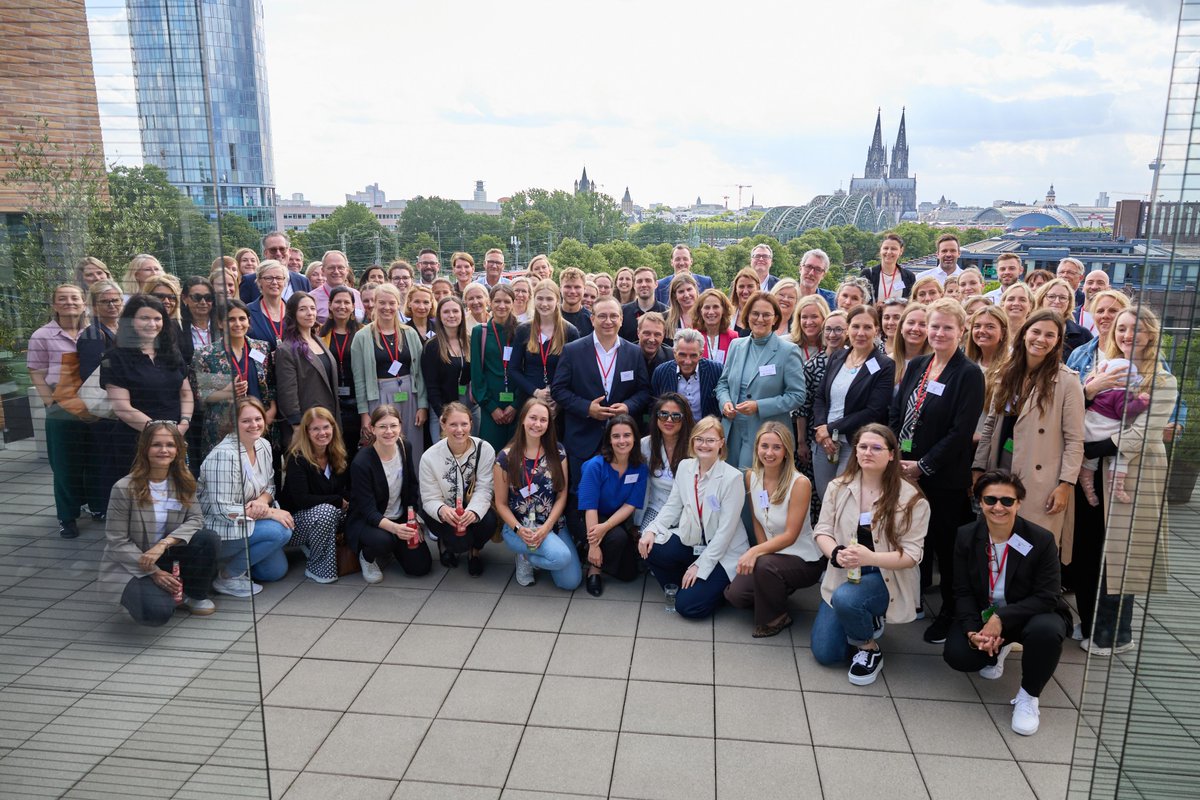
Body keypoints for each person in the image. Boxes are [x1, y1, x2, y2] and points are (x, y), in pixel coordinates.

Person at [1078, 306, 1177, 655]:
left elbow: (1143, 434)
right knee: (1093, 550)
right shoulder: (1105, 370)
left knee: (1121, 555)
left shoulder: (1162, 381)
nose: (1126, 336)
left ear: (1150, 334)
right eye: (1121, 329)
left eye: (1136, 329)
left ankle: (1115, 633)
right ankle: (1091, 621)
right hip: (1096, 470)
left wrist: (1093, 446)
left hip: (1133, 473)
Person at [943, 471, 1071, 736]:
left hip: (1030, 613)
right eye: (990, 499)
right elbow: (962, 590)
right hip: (984, 613)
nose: (998, 507)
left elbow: (1047, 596)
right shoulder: (966, 536)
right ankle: (995, 648)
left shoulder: (1040, 540)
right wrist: (971, 632)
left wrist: (1000, 618)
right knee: (959, 655)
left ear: (1019, 503)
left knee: (1045, 632)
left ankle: (1029, 695)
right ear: (979, 501)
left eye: (1007, 501)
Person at [889, 298, 985, 644]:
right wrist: (895, 455)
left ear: (962, 331)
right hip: (904, 468)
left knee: (946, 546)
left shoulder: (970, 374)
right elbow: (897, 411)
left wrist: (924, 466)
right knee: (913, 538)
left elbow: (961, 432)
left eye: (947, 327)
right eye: (935, 326)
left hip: (943, 478)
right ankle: (910, 600)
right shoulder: (918, 365)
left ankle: (949, 611)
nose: (939, 333)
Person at [811, 424, 929, 684]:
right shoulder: (838, 487)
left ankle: (868, 648)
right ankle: (863, 617)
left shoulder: (911, 499)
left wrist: (870, 558)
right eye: (862, 446)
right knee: (827, 653)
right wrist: (836, 552)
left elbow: (911, 556)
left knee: (846, 599)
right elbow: (822, 530)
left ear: (891, 454)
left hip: (885, 574)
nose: (868, 452)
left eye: (876, 448)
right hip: (845, 571)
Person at [974, 309, 1084, 550]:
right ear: (1024, 334)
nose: (1040, 339)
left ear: (1057, 342)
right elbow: (991, 424)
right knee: (998, 538)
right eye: (1035, 331)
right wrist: (979, 467)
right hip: (1001, 465)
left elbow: (1075, 440)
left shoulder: (1068, 382)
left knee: (1033, 544)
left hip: (1041, 477)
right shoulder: (1007, 372)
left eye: (1049, 335)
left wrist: (1066, 485)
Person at [551, 295, 652, 539]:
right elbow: (559, 390)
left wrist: (627, 407)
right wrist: (588, 408)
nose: (608, 321)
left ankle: (612, 543)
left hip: (621, 441)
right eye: (602, 316)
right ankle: (583, 544)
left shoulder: (633, 352)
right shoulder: (573, 350)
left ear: (621, 319)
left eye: (614, 316)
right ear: (592, 319)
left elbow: (644, 391)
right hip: (583, 436)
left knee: (617, 492)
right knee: (579, 493)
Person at [100, 421, 219, 623]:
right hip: (133, 561)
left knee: (208, 539)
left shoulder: (183, 480)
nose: (164, 450)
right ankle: (148, 592)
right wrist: (155, 573)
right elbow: (117, 542)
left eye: (170, 445)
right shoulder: (123, 488)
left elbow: (196, 519)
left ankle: (193, 595)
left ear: (178, 450)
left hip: (163, 553)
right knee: (158, 614)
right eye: (157, 445)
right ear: (145, 448)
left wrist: (164, 544)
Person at [637, 415, 748, 618]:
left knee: (688, 608)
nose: (704, 445)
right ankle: (692, 586)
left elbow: (725, 533)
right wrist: (651, 530)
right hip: (694, 540)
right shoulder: (685, 467)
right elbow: (672, 505)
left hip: (723, 551)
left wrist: (699, 566)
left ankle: (717, 590)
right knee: (651, 547)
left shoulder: (733, 478)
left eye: (710, 440)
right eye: (699, 439)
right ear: (692, 441)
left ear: (721, 443)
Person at [724, 422, 824, 637]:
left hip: (803, 558)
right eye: (764, 446)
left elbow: (790, 535)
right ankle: (774, 584)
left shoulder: (800, 483)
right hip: (771, 557)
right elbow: (757, 520)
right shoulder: (751, 476)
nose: (769, 453)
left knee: (766, 566)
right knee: (736, 596)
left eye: (777, 447)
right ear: (757, 448)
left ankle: (777, 618)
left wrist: (756, 553)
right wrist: (763, 552)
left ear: (787, 450)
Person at [100, 295, 194, 514]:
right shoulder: (115, 357)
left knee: (175, 497)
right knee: (142, 504)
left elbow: (186, 393)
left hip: (176, 436)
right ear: (130, 321)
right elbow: (122, 407)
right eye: (145, 318)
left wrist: (184, 424)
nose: (152, 324)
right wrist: (160, 433)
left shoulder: (170, 352)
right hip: (137, 440)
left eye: (157, 318)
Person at [199, 398, 293, 596]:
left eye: (258, 419)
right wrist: (269, 513)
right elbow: (222, 512)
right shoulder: (223, 455)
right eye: (246, 421)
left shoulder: (264, 445)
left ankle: (236, 563)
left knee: (274, 572)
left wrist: (262, 502)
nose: (254, 425)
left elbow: (270, 487)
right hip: (221, 530)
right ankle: (226, 576)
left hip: (249, 522)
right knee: (280, 531)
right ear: (233, 423)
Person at [494, 399, 580, 590]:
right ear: (523, 419)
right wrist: (519, 529)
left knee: (570, 582)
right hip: (520, 528)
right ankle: (524, 556)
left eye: (543, 420)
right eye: (533, 418)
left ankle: (532, 556)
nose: (537, 424)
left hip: (552, 524)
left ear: (549, 424)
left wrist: (546, 528)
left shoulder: (558, 452)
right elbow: (500, 504)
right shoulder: (505, 458)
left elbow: (562, 495)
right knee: (561, 557)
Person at [812, 305, 896, 500]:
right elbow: (820, 398)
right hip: (825, 443)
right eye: (856, 326)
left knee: (843, 499)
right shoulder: (838, 356)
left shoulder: (884, 365)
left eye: (867, 327)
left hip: (855, 443)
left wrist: (831, 428)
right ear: (848, 328)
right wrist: (823, 431)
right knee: (825, 498)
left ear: (877, 330)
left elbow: (873, 411)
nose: (860, 333)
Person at [717, 291, 805, 469]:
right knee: (730, 484)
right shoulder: (736, 345)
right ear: (747, 316)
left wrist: (759, 406)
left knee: (755, 488)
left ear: (775, 319)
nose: (760, 319)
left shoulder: (788, 351)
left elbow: (797, 395)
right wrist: (725, 402)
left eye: (766, 315)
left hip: (766, 433)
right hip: (732, 430)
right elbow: (723, 384)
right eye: (755, 313)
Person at [28, 284, 90, 537]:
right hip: (61, 408)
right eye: (62, 299)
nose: (69, 302)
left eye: (75, 298)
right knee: (65, 466)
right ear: (54, 305)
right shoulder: (42, 335)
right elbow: (36, 371)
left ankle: (95, 506)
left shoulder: (94, 332)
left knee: (92, 461)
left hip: (94, 405)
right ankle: (67, 516)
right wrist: (49, 402)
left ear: (84, 303)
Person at [347, 404, 431, 583]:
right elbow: (368, 511)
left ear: (400, 426)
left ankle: (392, 547)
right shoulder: (361, 462)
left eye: (393, 425)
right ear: (372, 429)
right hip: (369, 521)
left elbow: (411, 487)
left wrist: (412, 519)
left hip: (399, 517)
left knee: (420, 567)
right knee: (385, 541)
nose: (389, 431)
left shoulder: (404, 447)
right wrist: (395, 529)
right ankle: (367, 556)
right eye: (382, 426)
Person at [352, 283, 428, 467]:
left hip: (410, 394)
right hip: (380, 395)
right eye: (382, 303)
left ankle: (414, 492)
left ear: (399, 304)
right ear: (375, 304)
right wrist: (364, 413)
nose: (387, 308)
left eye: (392, 303)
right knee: (385, 445)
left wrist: (423, 405)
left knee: (413, 446)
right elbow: (359, 378)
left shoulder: (410, 333)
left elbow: (420, 372)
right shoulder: (362, 336)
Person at [192, 299, 276, 461]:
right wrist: (225, 393)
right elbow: (199, 395)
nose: (237, 324)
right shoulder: (205, 355)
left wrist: (271, 411)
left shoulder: (262, 348)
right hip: (222, 428)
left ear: (249, 321)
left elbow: (271, 384)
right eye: (231, 319)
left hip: (258, 426)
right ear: (220, 323)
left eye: (242, 318)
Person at [420, 402, 497, 575]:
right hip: (447, 510)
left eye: (464, 424)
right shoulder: (429, 457)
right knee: (457, 543)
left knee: (489, 520)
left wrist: (474, 511)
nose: (459, 430)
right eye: (453, 424)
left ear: (471, 423)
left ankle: (475, 551)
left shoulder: (485, 449)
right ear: (443, 424)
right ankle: (444, 543)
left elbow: (485, 488)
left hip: (471, 506)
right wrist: (443, 510)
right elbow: (429, 497)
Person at [577, 415, 648, 596]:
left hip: (612, 517)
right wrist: (594, 545)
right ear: (609, 439)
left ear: (635, 438)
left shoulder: (640, 467)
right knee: (617, 538)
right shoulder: (596, 466)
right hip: (586, 515)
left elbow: (631, 504)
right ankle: (593, 568)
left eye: (627, 435)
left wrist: (606, 527)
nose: (622, 441)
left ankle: (589, 552)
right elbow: (589, 507)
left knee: (629, 574)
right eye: (616, 436)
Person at [280, 407, 350, 583]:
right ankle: (317, 566)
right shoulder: (297, 459)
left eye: (326, 427)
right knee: (326, 511)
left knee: (357, 508)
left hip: (326, 513)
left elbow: (343, 491)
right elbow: (301, 500)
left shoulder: (337, 454)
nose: (322, 433)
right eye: (315, 429)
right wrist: (337, 500)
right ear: (306, 432)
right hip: (295, 524)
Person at [78, 280, 125, 519]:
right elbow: (90, 377)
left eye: (115, 300)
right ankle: (109, 512)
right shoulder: (92, 336)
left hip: (123, 409)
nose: (112, 305)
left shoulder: (124, 328)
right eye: (105, 302)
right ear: (94, 306)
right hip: (106, 412)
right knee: (108, 463)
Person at [1078, 357, 1149, 505]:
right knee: (1120, 458)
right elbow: (1124, 412)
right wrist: (1141, 402)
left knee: (1089, 464)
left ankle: (1088, 489)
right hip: (1108, 435)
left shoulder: (1095, 384)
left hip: (1088, 431)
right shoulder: (1121, 393)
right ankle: (1117, 486)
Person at [510, 280, 580, 426]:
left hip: (559, 403)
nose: (544, 303)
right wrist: (536, 392)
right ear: (533, 300)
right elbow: (514, 369)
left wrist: (557, 401)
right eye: (540, 298)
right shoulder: (523, 330)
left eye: (549, 299)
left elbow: (576, 372)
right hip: (529, 400)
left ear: (557, 300)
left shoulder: (570, 332)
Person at [275, 292, 338, 450]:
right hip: (307, 423)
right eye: (303, 309)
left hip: (329, 418)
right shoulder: (286, 349)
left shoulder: (319, 340)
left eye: (312, 308)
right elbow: (287, 391)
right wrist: (296, 424)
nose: (310, 313)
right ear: (293, 314)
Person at [471, 284, 520, 453]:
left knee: (515, 454)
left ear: (513, 303)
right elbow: (477, 374)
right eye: (497, 301)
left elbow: (526, 370)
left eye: (507, 301)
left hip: (517, 405)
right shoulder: (480, 332)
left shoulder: (522, 331)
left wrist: (516, 405)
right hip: (491, 406)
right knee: (490, 454)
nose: (502, 305)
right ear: (489, 303)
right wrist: (491, 408)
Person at [422, 295, 475, 442]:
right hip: (442, 410)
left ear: (462, 314)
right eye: (446, 312)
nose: (451, 315)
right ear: (439, 315)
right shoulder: (432, 346)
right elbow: (431, 385)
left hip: (469, 408)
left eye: (455, 311)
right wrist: (443, 415)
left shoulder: (470, 341)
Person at [321, 285, 364, 456]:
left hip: (356, 400)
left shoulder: (363, 332)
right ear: (330, 305)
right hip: (332, 401)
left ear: (353, 306)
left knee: (354, 448)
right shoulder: (319, 334)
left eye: (347, 302)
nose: (342, 306)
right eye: (337, 302)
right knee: (334, 449)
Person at [640, 393, 694, 527]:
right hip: (656, 507)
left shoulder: (694, 447)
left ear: (684, 419)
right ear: (656, 417)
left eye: (676, 416)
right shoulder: (646, 445)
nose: (669, 420)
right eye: (664, 414)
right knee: (648, 541)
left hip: (686, 510)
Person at [651, 328, 721, 423]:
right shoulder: (661, 372)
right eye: (682, 355)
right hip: (673, 432)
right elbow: (654, 407)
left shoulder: (716, 371)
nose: (687, 361)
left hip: (706, 432)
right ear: (674, 353)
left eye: (693, 355)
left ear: (701, 354)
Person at [240, 231, 311, 303]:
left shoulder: (303, 281)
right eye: (273, 250)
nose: (278, 253)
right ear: (265, 253)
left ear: (289, 252)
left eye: (282, 249)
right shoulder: (249, 281)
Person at [1034, 277, 1092, 361]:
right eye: (1051, 296)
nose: (1057, 301)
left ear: (1069, 302)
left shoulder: (1083, 335)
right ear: (1041, 299)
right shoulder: (1028, 328)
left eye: (1063, 298)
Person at [247, 261, 291, 349]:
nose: (274, 282)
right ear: (259, 282)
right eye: (268, 278)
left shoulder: (294, 310)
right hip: (260, 362)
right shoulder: (247, 312)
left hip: (291, 362)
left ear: (285, 281)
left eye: (279, 278)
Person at [861, 232, 916, 301]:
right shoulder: (868, 274)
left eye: (893, 249)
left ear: (901, 251)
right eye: (886, 248)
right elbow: (861, 300)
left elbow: (911, 302)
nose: (889, 252)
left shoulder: (909, 277)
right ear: (880, 250)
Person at [312, 250, 364, 324]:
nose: (336, 271)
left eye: (340, 267)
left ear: (347, 270)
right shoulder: (312, 298)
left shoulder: (357, 296)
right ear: (323, 270)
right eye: (331, 267)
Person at [619, 265, 667, 342]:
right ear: (634, 285)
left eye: (648, 280)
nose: (643, 285)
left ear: (656, 284)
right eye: (639, 281)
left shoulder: (667, 313)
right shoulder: (622, 312)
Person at [889, 302, 930, 388]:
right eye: (911, 323)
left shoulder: (934, 365)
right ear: (901, 328)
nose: (915, 329)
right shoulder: (887, 362)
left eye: (922, 324)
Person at [695, 288, 738, 365]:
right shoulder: (693, 337)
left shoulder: (733, 337)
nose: (711, 312)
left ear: (723, 310)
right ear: (700, 310)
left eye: (715, 307)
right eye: (707, 307)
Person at [966, 305, 1009, 373]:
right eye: (977, 326)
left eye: (990, 327)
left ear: (1003, 332)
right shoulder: (966, 364)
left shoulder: (1011, 366)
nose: (981, 331)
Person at [559, 267, 594, 336]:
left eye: (577, 287)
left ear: (584, 289)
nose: (572, 291)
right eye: (568, 287)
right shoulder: (550, 316)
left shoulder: (591, 320)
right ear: (560, 289)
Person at [729, 267, 761, 337]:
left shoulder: (763, 315)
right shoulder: (728, 314)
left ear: (757, 287)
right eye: (741, 287)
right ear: (736, 289)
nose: (745, 291)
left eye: (750, 286)